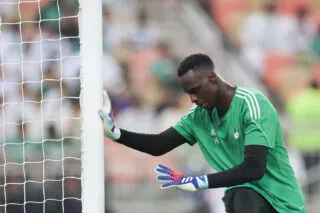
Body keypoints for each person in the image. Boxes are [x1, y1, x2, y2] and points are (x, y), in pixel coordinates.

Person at [99, 54, 305, 213]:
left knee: (241, 193)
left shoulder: (252, 105)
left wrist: (199, 182)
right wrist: (117, 134)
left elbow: (254, 168)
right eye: (189, 93)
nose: (193, 99)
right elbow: (159, 145)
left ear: (213, 78)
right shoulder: (198, 117)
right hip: (244, 200)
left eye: (196, 90)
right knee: (236, 195)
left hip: (282, 206)